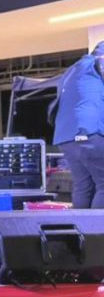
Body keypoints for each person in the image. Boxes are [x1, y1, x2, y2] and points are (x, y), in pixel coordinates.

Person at [52, 41, 104, 208]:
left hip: (65, 135)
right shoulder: (100, 61)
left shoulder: (71, 70)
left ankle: (82, 225)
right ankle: (99, 225)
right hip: (89, 130)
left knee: (83, 185)